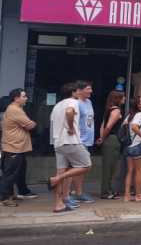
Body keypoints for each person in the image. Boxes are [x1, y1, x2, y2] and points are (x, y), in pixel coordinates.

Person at [48, 84, 91, 214]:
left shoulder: (57, 105)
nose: (80, 92)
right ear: (73, 92)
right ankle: (57, 179)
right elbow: (69, 112)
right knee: (86, 165)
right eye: (78, 90)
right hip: (70, 141)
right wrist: (71, 127)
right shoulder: (73, 102)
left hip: (58, 143)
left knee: (60, 171)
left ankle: (58, 204)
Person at [0, 88, 36, 207]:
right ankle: (4, 197)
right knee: (10, 173)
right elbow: (30, 125)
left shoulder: (15, 109)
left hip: (16, 146)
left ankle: (10, 194)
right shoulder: (15, 110)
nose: (26, 98)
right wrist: (33, 123)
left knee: (16, 172)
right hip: (14, 146)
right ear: (16, 98)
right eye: (24, 96)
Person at [96, 90, 125, 199]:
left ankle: (109, 190)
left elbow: (103, 125)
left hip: (108, 138)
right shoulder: (116, 110)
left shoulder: (109, 109)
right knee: (110, 167)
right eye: (123, 97)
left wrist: (101, 137)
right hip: (112, 139)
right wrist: (102, 138)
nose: (124, 99)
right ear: (118, 98)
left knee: (109, 166)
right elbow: (108, 126)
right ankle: (106, 191)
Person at [70, 81, 96, 204]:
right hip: (80, 140)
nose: (90, 91)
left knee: (82, 168)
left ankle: (77, 191)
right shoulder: (76, 104)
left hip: (88, 140)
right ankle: (77, 193)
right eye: (88, 89)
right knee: (79, 167)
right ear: (79, 90)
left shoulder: (89, 102)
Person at [123, 95, 141, 202]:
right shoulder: (139, 114)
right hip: (138, 145)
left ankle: (127, 195)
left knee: (130, 171)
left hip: (129, 146)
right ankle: (138, 195)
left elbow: (125, 126)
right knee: (139, 171)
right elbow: (134, 127)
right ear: (138, 105)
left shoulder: (130, 115)